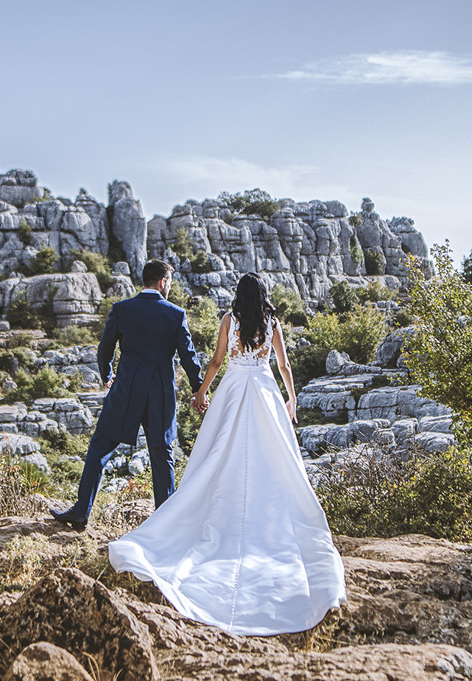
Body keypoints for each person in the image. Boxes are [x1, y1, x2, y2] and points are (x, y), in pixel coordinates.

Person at [108, 272, 347, 636]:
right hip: (265, 391)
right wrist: (291, 397)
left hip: (234, 388)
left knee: (218, 455)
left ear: (238, 296)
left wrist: (202, 393)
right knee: (273, 459)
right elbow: (283, 365)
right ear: (263, 296)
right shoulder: (273, 323)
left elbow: (217, 361)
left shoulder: (229, 320)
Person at [50, 259, 203, 530]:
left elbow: (104, 349)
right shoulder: (175, 313)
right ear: (163, 282)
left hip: (126, 391)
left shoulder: (122, 309)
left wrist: (107, 375)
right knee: (161, 454)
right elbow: (189, 357)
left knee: (100, 447)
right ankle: (165, 524)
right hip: (160, 395)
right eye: (169, 282)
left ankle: (81, 512)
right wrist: (198, 389)